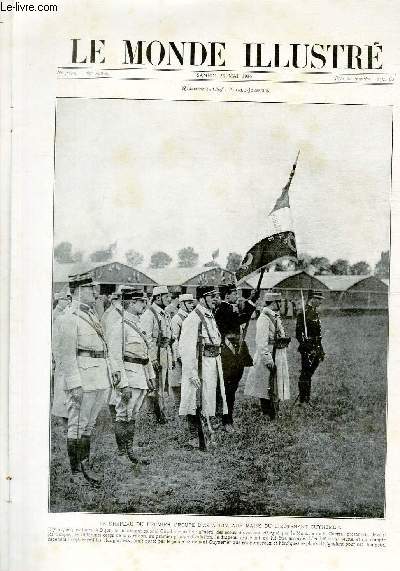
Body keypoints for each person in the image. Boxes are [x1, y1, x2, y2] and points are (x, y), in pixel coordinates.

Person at [54, 273, 112, 485]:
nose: (95, 292)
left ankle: (84, 465)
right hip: (83, 379)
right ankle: (76, 471)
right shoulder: (69, 318)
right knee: (77, 425)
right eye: (90, 289)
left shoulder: (91, 315)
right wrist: (74, 384)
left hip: (98, 377)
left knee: (88, 425)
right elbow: (67, 355)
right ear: (78, 291)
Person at [108, 288, 155, 464]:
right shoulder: (118, 326)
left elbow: (145, 354)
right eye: (141, 301)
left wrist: (150, 376)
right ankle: (122, 454)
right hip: (129, 376)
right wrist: (123, 385)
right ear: (130, 303)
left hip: (140, 375)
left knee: (132, 415)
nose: (145, 304)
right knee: (122, 414)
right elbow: (115, 358)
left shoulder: (139, 324)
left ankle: (130, 451)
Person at [179, 286, 228, 449]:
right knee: (194, 400)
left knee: (208, 399)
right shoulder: (193, 319)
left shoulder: (210, 316)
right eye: (212, 296)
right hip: (199, 367)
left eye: (217, 296)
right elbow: (186, 348)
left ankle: (208, 433)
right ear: (201, 299)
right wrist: (191, 372)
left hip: (212, 363)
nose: (216, 299)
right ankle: (195, 438)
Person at [214, 284, 257, 430]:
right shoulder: (222, 310)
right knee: (228, 389)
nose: (236, 296)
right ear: (226, 296)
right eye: (234, 294)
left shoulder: (229, 308)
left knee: (231, 387)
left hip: (236, 353)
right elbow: (240, 320)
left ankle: (225, 416)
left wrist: (250, 301)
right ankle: (226, 420)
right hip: (228, 354)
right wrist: (251, 303)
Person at [244, 292, 289, 420]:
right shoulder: (264, 318)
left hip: (278, 352)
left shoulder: (275, 316)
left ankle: (274, 410)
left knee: (276, 382)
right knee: (265, 384)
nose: (280, 304)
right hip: (268, 353)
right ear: (273, 302)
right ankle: (266, 413)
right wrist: (267, 359)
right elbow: (261, 342)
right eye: (279, 302)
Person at [140, 285, 174, 423]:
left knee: (163, 383)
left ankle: (160, 411)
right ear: (158, 297)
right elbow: (147, 339)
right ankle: (156, 414)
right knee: (155, 385)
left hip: (164, 352)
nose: (169, 299)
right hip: (155, 354)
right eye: (166, 297)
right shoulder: (149, 314)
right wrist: (152, 358)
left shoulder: (164, 313)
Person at [296, 290, 325, 404]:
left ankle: (307, 397)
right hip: (307, 348)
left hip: (316, 347)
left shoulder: (315, 313)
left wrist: (320, 349)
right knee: (305, 373)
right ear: (312, 299)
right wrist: (309, 348)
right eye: (318, 299)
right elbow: (299, 335)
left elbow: (318, 334)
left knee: (310, 373)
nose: (320, 302)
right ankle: (303, 400)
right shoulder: (303, 314)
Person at [170, 293, 197, 406]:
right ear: (181, 304)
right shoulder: (177, 318)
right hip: (180, 355)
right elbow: (174, 339)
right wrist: (178, 356)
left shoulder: (191, 317)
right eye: (189, 303)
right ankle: (178, 404)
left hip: (190, 352)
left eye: (192, 303)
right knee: (177, 381)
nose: (192, 305)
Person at [51, 291, 72, 421]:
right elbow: (55, 341)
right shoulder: (57, 314)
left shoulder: (64, 313)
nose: (67, 302)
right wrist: (57, 359)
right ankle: (61, 413)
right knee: (60, 386)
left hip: (65, 357)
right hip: (61, 356)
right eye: (65, 299)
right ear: (60, 300)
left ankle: (65, 412)